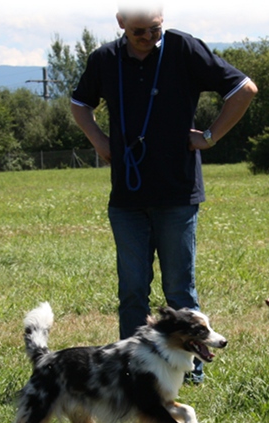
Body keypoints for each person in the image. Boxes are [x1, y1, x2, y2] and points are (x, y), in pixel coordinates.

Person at [71, 8, 257, 382]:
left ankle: (190, 372)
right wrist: (101, 142)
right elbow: (80, 105)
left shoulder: (183, 48)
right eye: (139, 31)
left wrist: (209, 136)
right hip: (128, 195)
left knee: (179, 288)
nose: (149, 37)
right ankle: (133, 372)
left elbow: (244, 89)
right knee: (132, 291)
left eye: (156, 29)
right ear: (121, 23)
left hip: (177, 192)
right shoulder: (105, 59)